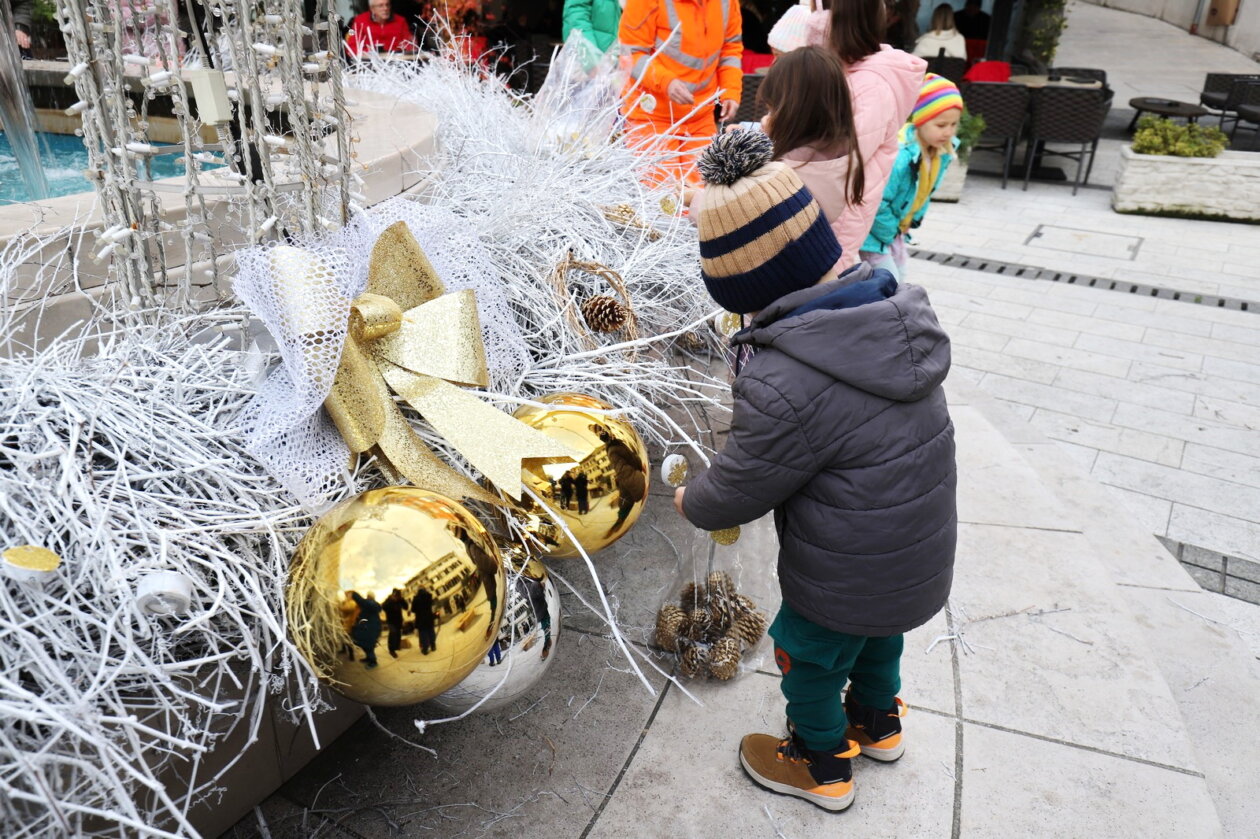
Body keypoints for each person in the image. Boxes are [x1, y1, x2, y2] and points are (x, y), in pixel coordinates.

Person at [680, 129, 956, 811]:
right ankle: (879, 723)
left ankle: (820, 760)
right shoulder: (891, 312)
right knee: (876, 637)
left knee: (806, 655)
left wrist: (694, 501)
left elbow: (745, 478)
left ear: (749, 289)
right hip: (915, 552)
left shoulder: (788, 376)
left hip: (843, 564)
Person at [803, 0, 925, 276]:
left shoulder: (871, 84)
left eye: (818, 11)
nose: (811, 19)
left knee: (824, 292)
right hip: (827, 207)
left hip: (838, 214)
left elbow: (836, 156)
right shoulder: (850, 73)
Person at [757, 46, 867, 273]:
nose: (766, 117)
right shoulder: (846, 153)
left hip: (776, 277)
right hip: (815, 268)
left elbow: (730, 214)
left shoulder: (785, 171)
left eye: (772, 109)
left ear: (794, 112)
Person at [618, 0, 743, 189]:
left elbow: (730, 48)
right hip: (652, 118)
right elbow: (631, 54)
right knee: (662, 198)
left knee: (704, 194)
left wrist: (730, 91)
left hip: (700, 115)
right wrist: (666, 82)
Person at [859, 74, 962, 281]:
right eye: (941, 125)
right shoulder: (901, 157)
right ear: (920, 121)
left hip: (893, 232)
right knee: (890, 284)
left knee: (897, 281)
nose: (948, 132)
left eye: (953, 125)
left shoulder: (941, 153)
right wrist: (891, 232)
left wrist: (911, 222)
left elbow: (924, 193)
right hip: (873, 235)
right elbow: (877, 203)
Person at [346, 0, 416, 56]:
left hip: (396, 61)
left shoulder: (400, 21)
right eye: (380, 6)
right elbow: (352, 47)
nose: (385, 8)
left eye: (387, 4)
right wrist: (368, 53)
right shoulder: (360, 21)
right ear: (372, 8)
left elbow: (410, 45)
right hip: (369, 62)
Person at [349, 591, 384, 668]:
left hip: (372, 629)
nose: (367, 597)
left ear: (370, 597)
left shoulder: (372, 604)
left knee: (369, 645)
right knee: (364, 644)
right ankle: (368, 658)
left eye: (368, 596)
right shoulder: (368, 605)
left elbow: (362, 602)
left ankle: (373, 661)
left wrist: (354, 594)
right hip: (367, 628)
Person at [411, 586, 438, 654]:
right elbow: (432, 604)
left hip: (420, 619)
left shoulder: (416, 598)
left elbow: (413, 610)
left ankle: (425, 649)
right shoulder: (429, 596)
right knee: (431, 631)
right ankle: (433, 646)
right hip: (429, 617)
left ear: (418, 590)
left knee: (423, 634)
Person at [382, 589, 406, 658]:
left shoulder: (399, 599)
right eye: (396, 596)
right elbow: (383, 607)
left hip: (399, 620)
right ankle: (391, 650)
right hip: (391, 621)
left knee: (398, 633)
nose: (397, 598)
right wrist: (391, 600)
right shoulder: (389, 600)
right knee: (393, 633)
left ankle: (396, 646)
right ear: (393, 594)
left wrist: (402, 599)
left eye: (398, 596)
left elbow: (406, 607)